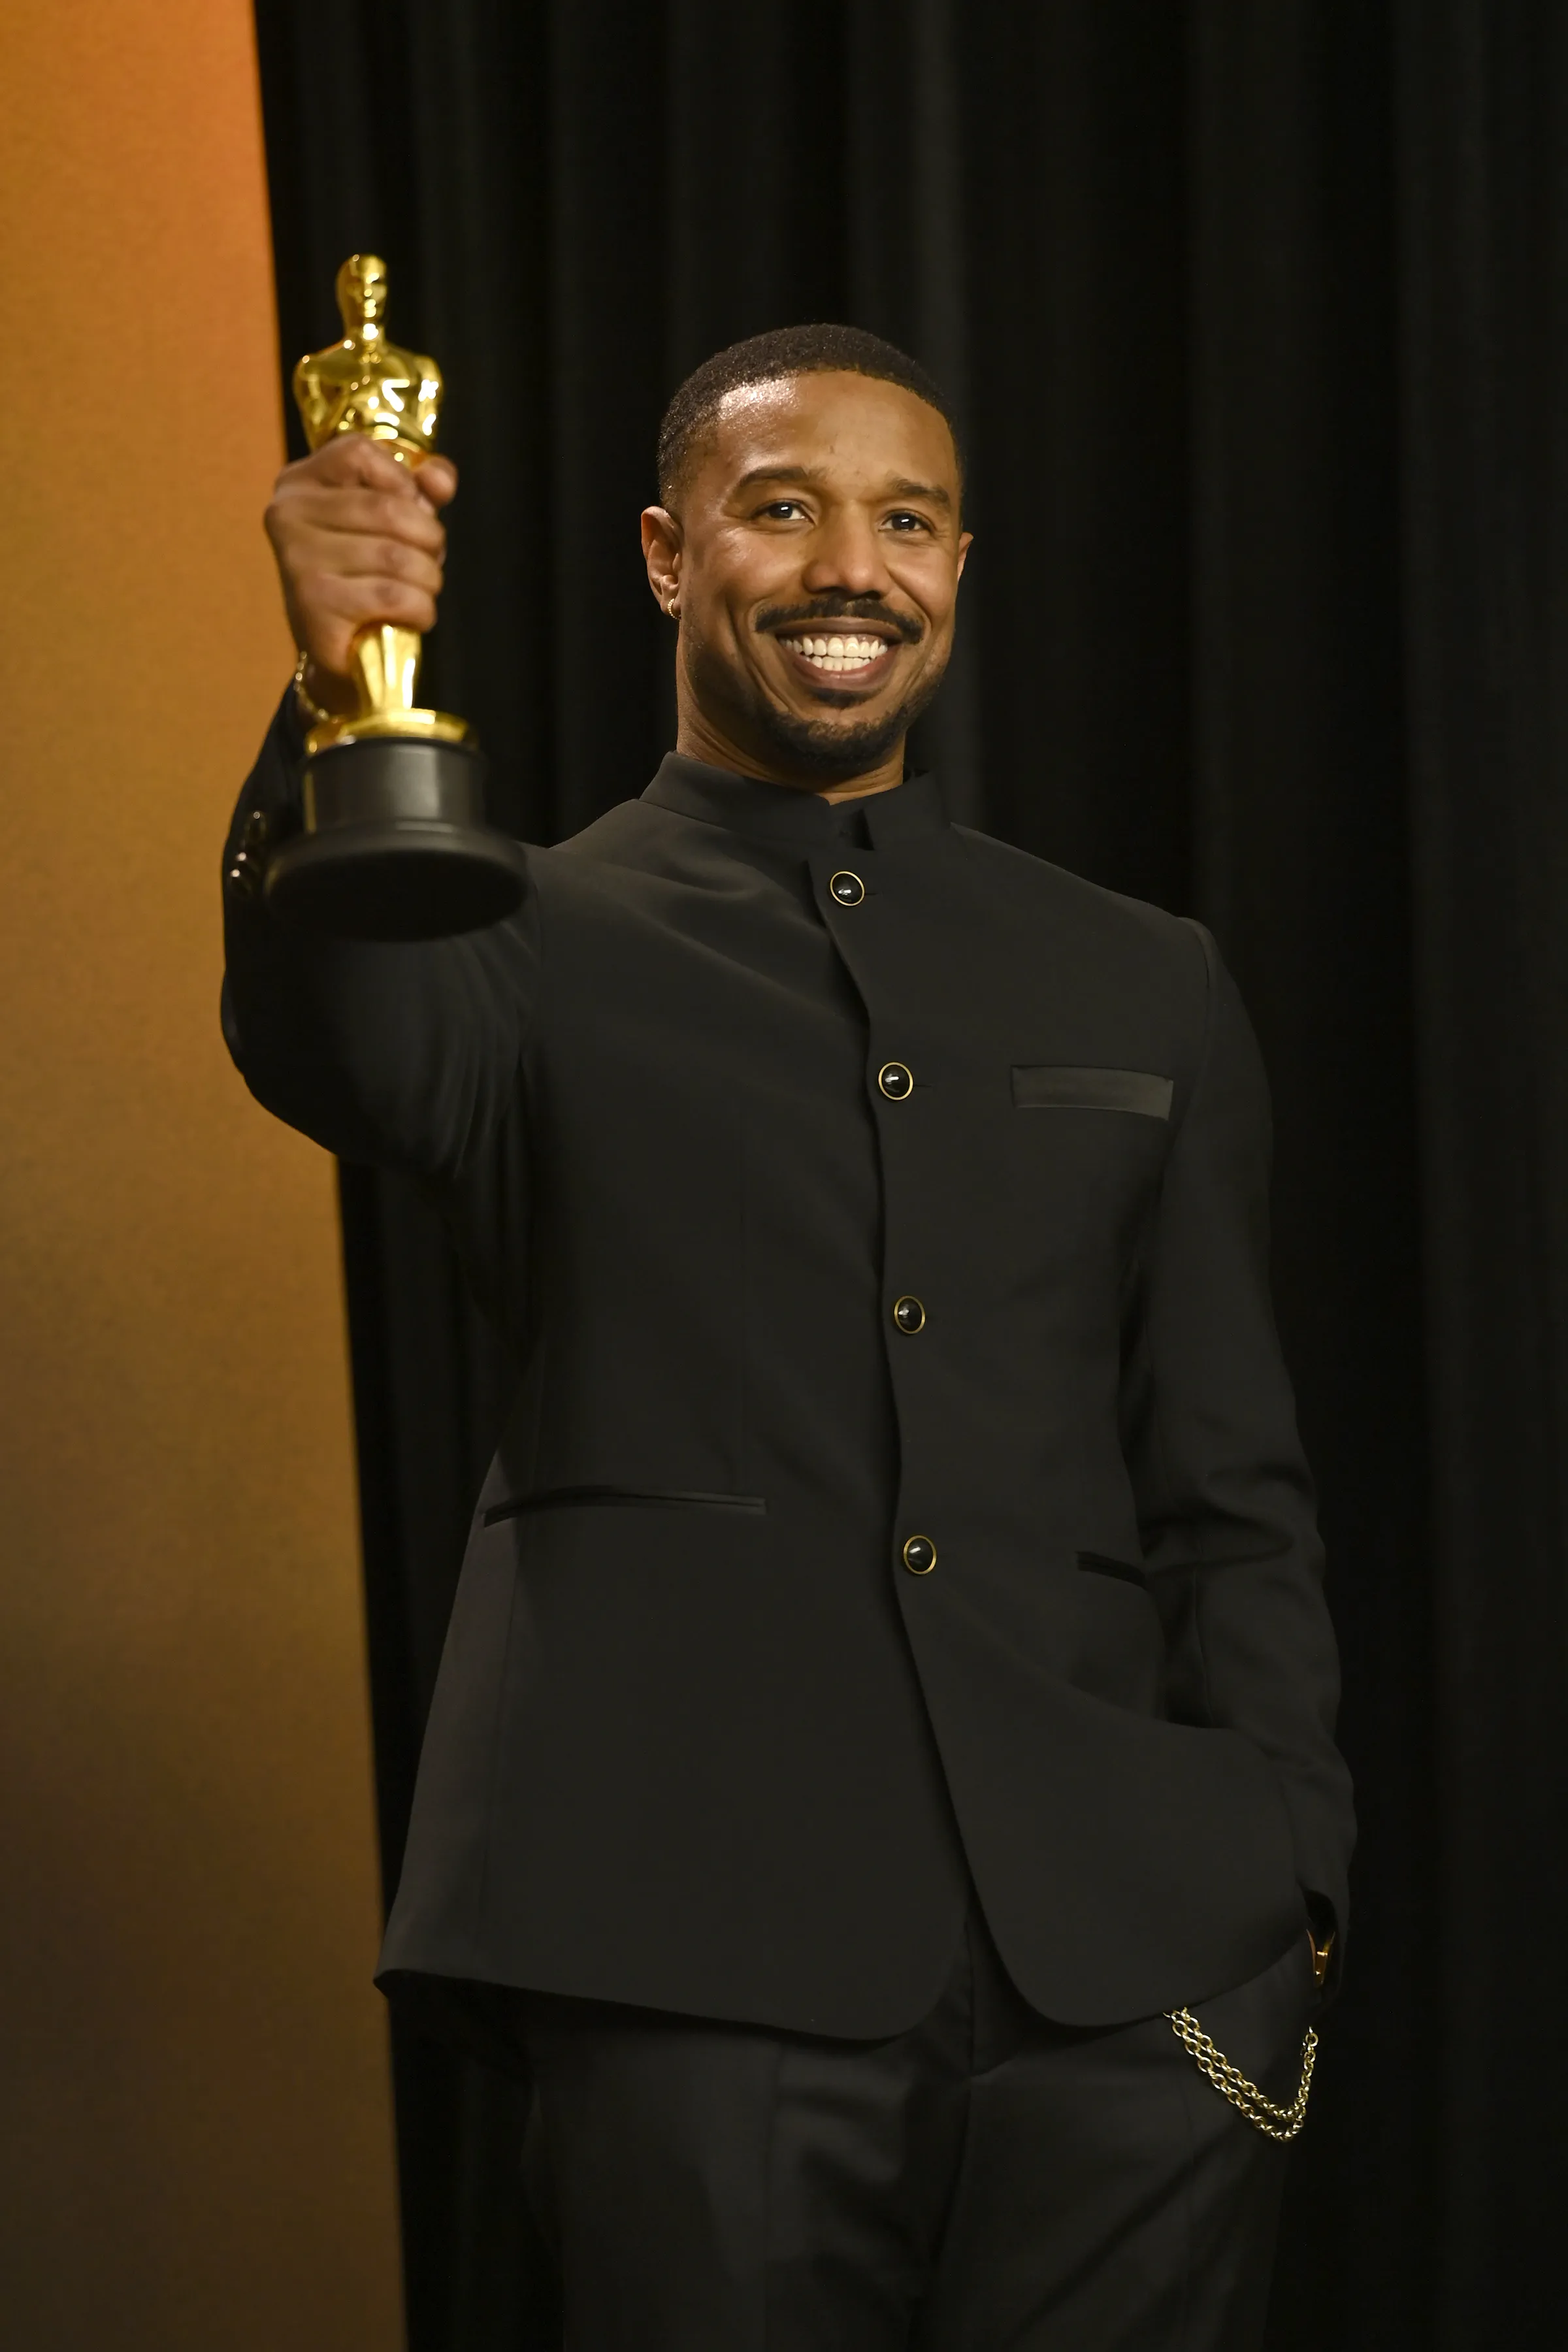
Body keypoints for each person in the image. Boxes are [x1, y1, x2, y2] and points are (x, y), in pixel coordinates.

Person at [224, 323, 1354, 2349]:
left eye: (904, 519)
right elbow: (346, 1047)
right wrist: (337, 694)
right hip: (683, 1939)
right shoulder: (507, 932)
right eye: (783, 508)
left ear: (958, 563)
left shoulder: (1145, 977)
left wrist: (1288, 1870)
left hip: (1137, 1967)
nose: (853, 564)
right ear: (670, 558)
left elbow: (1226, 1475)